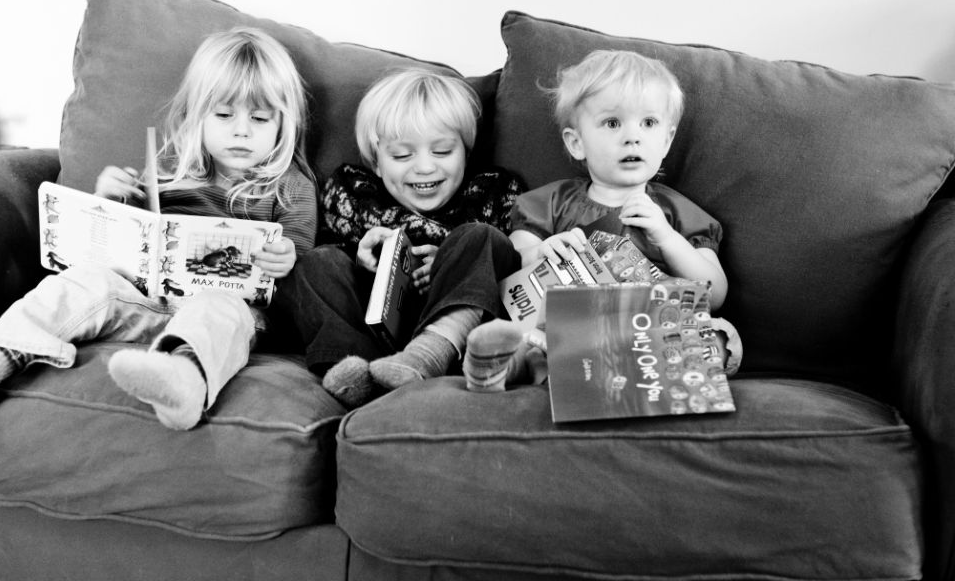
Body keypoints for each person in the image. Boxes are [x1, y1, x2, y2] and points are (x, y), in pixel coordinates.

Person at [0, 27, 317, 430]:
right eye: (224, 115)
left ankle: (183, 382)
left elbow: (303, 262)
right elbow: (123, 244)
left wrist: (288, 256)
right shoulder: (168, 171)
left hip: (232, 311)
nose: (242, 130)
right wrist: (110, 201)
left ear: (284, 124)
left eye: (259, 118)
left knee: (218, 308)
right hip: (145, 303)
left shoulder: (290, 187)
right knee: (79, 282)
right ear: (196, 116)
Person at [463, 49, 742, 391]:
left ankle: (618, 374)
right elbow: (513, 263)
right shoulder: (552, 202)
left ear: (667, 140)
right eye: (613, 123)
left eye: (648, 123)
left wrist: (667, 238)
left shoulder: (676, 213)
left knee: (721, 337)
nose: (632, 136)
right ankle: (499, 369)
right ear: (576, 143)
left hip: (648, 333)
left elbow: (714, 294)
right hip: (570, 329)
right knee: (526, 338)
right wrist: (542, 252)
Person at [277, 68, 524, 408]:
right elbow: (323, 259)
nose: (424, 167)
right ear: (376, 163)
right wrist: (359, 256)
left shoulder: (492, 191)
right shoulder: (354, 193)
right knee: (318, 261)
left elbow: (512, 261)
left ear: (466, 153)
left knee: (484, 238)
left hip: (454, 332)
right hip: (372, 336)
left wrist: (449, 262)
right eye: (402, 156)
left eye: (442, 152)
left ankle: (428, 354)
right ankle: (355, 376)